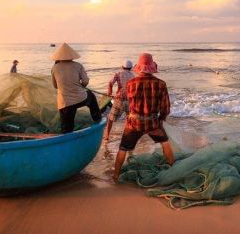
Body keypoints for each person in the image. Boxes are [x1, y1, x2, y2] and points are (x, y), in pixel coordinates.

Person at [112, 53, 174, 182]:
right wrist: (160, 120)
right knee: (165, 143)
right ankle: (173, 170)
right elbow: (165, 108)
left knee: (123, 148)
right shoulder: (161, 84)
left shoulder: (130, 84)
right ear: (152, 68)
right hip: (152, 122)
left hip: (133, 123)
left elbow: (126, 103)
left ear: (139, 68)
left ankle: (116, 176)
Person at [50, 43, 101, 133]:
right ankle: (97, 120)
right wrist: (81, 85)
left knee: (66, 129)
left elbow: (55, 86)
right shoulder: (78, 65)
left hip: (64, 103)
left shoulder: (54, 68)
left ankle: (66, 141)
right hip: (80, 98)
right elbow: (85, 81)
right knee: (91, 96)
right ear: (71, 56)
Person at [104, 59, 135, 140]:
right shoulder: (133, 76)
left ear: (122, 67)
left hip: (119, 99)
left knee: (111, 118)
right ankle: (127, 135)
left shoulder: (118, 74)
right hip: (129, 100)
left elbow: (110, 83)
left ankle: (107, 135)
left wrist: (109, 93)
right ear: (131, 68)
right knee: (128, 118)